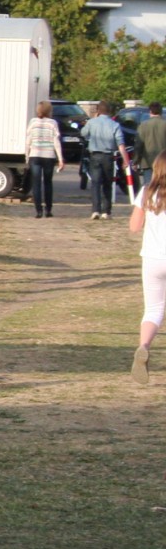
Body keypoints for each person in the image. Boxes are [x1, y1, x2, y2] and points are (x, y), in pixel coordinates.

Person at [128, 153, 166, 384]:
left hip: (152, 258)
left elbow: (134, 226)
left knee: (153, 309)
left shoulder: (146, 192)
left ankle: (143, 346)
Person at [82, 100, 122, 220]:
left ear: (98, 111)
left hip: (95, 155)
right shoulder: (114, 124)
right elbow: (120, 142)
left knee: (95, 183)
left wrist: (92, 122)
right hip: (108, 156)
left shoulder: (92, 122)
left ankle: (95, 210)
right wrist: (125, 159)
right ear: (109, 111)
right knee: (107, 183)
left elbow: (83, 133)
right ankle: (106, 211)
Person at [24, 100, 64, 219]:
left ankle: (38, 211)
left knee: (36, 183)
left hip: (35, 155)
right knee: (48, 182)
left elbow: (28, 141)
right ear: (49, 111)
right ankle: (48, 209)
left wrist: (27, 156)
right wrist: (60, 159)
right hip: (49, 156)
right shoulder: (53, 123)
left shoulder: (33, 122)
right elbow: (56, 142)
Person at [138, 104, 166, 186]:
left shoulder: (143, 125)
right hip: (163, 161)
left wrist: (136, 160)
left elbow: (139, 144)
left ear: (150, 111)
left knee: (149, 186)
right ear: (161, 112)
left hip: (147, 162)